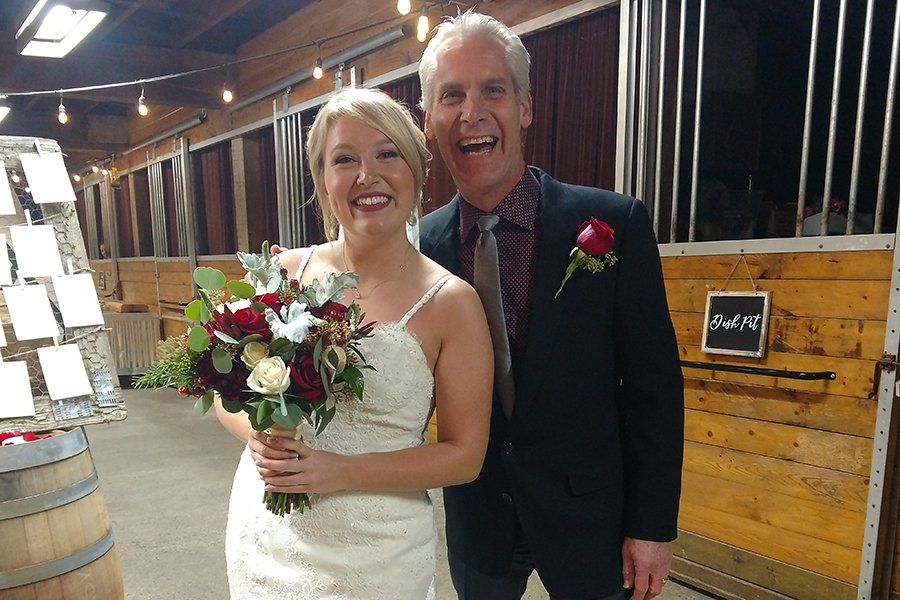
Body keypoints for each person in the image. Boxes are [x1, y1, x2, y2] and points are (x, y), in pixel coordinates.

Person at [417, 11, 684, 600]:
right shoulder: (422, 248)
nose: (472, 112)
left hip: (592, 522)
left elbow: (654, 389)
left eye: (493, 89)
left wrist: (652, 526)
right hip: (479, 521)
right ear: (430, 122)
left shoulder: (615, 224)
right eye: (451, 96)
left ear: (526, 107)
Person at [214, 87, 493, 599]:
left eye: (387, 154)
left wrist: (338, 471)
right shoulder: (281, 273)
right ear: (323, 180)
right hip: (270, 538)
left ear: (415, 170)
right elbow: (225, 393)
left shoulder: (452, 303)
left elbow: (464, 456)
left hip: (379, 553)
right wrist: (256, 436)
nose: (368, 175)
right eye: (345, 159)